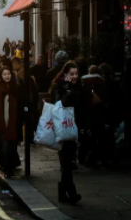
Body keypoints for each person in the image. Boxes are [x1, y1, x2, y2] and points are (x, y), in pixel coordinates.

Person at [51, 61, 83, 205]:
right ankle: (71, 193)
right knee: (67, 163)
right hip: (62, 128)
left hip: (74, 128)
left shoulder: (79, 86)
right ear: (65, 74)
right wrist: (68, 90)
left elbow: (82, 107)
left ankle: (62, 193)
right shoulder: (59, 86)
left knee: (68, 163)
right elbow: (58, 104)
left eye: (76, 73)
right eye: (72, 74)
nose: (75, 76)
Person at [0, 66, 20, 178]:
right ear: (1, 76)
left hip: (13, 122)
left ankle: (10, 168)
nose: (7, 76)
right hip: (1, 122)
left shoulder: (15, 87)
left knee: (12, 147)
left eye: (9, 74)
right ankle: (7, 169)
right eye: (4, 74)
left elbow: (20, 105)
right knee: (4, 147)